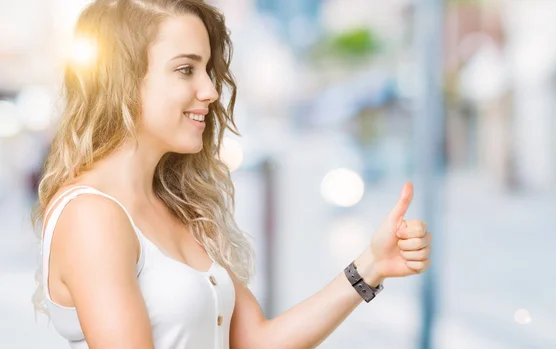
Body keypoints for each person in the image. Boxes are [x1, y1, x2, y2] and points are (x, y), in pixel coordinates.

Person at [31, 0, 433, 348]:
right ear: (124, 80)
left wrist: (371, 266)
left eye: (207, 69)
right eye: (186, 70)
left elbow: (257, 341)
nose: (209, 90)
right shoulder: (92, 216)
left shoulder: (174, 206)